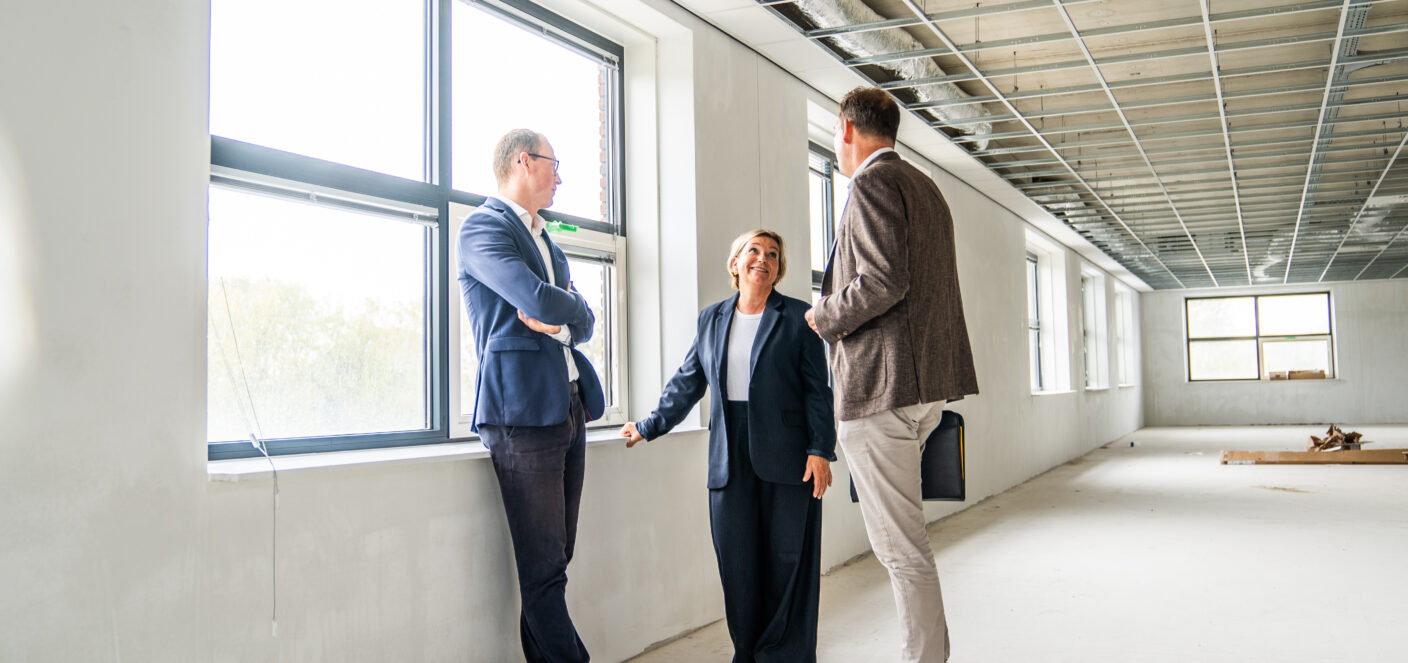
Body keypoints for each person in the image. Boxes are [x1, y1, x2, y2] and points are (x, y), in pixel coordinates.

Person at [805, 87, 979, 663]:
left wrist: (822, 316)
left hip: (883, 389)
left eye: (835, 133)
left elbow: (882, 281)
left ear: (848, 130)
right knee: (907, 546)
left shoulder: (872, 184)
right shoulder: (926, 188)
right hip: (924, 385)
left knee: (902, 551)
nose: (836, 143)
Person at [622, 230, 836, 663]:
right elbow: (687, 382)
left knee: (786, 561)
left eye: (773, 254)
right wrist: (649, 425)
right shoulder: (711, 319)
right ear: (735, 262)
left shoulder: (800, 317)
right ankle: (748, 652)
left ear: (779, 268)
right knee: (738, 565)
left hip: (789, 455)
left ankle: (785, 654)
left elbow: (819, 390)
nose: (764, 259)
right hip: (728, 456)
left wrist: (821, 449)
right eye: (753, 251)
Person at [458, 128, 605, 663]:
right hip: (519, 413)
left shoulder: (547, 239)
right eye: (554, 164)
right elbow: (531, 297)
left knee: (555, 560)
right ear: (524, 161)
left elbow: (582, 319)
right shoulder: (481, 229)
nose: (560, 176)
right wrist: (562, 306)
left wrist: (562, 320)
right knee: (544, 567)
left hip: (567, 404)